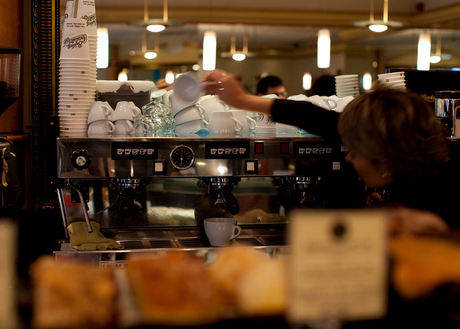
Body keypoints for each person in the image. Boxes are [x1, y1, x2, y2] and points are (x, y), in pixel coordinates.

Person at [203, 69, 460, 228]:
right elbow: (320, 119)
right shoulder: (404, 149)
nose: (348, 157)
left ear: (384, 159)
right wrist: (242, 100)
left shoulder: (441, 195)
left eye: (355, 152)